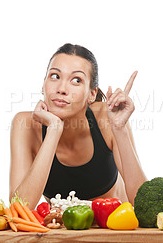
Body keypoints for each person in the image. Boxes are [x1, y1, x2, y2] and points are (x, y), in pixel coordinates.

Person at [9, 43, 147, 209]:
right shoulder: (25, 124)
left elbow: (144, 203)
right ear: (43, 84)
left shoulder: (107, 117)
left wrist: (120, 129)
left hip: (114, 229)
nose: (61, 89)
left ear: (92, 94)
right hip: (63, 232)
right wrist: (53, 130)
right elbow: (18, 209)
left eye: (76, 80)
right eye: (54, 76)